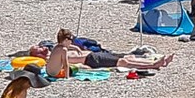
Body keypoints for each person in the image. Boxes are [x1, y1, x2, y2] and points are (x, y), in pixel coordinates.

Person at [45, 29, 175, 73]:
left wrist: (76, 47)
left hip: (94, 56)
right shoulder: (59, 52)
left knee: (127, 58)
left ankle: (155, 62)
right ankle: (153, 65)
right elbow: (67, 65)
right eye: (69, 39)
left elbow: (69, 49)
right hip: (93, 59)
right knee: (124, 62)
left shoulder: (59, 48)